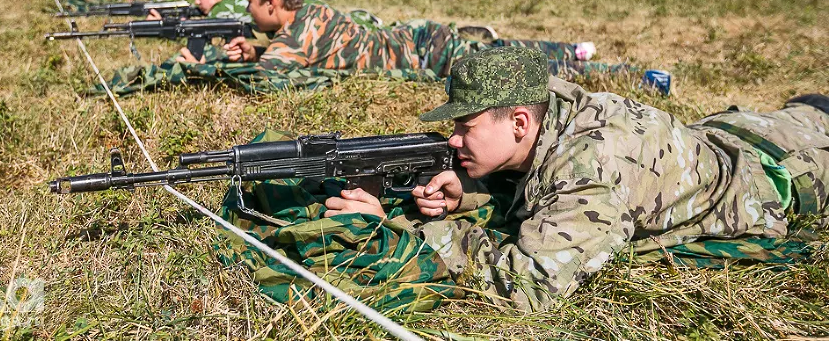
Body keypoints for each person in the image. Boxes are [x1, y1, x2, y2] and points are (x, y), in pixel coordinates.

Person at [324, 47, 829, 312]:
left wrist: (404, 232)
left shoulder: (589, 170)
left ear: (520, 121)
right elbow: (535, 168)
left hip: (780, 180)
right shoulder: (553, 104)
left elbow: (527, 289)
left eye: (466, 125)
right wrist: (471, 191)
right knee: (809, 108)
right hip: (730, 130)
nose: (452, 140)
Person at [223, 0, 656, 87]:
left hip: (429, 53)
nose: (248, 11)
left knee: (506, 69)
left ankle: (624, 76)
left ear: (271, 1)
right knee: (499, 50)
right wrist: (258, 46)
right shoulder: (312, 14)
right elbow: (296, 53)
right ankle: (571, 50)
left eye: (250, 2)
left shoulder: (295, 37)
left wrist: (241, 56)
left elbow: (268, 76)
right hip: (423, 36)